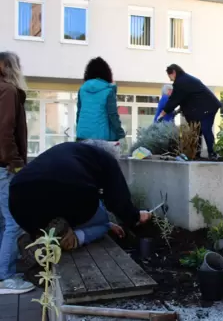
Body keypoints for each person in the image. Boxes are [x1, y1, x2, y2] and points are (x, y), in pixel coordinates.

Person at [10, 141, 153, 277]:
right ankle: (68, 238)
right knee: (103, 222)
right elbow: (117, 198)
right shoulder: (106, 158)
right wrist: (135, 216)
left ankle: (34, 239)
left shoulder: (69, 150)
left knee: (46, 219)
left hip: (18, 197)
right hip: (67, 191)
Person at [0, 52, 35, 294]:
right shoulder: (8, 91)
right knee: (13, 222)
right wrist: (16, 163)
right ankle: (6, 277)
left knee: (3, 222)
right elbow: (4, 132)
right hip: (5, 167)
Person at [158, 64, 221, 159]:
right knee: (196, 131)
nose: (170, 79)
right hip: (204, 107)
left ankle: (212, 153)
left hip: (208, 107)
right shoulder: (185, 79)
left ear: (174, 72)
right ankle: (197, 154)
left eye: (170, 76)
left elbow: (174, 100)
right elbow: (184, 98)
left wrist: (162, 114)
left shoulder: (181, 81)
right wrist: (179, 111)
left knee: (205, 128)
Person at [76, 57, 125, 142]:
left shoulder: (82, 90)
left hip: (82, 137)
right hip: (103, 139)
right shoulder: (108, 91)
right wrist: (120, 134)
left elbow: (79, 114)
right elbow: (112, 115)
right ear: (107, 73)